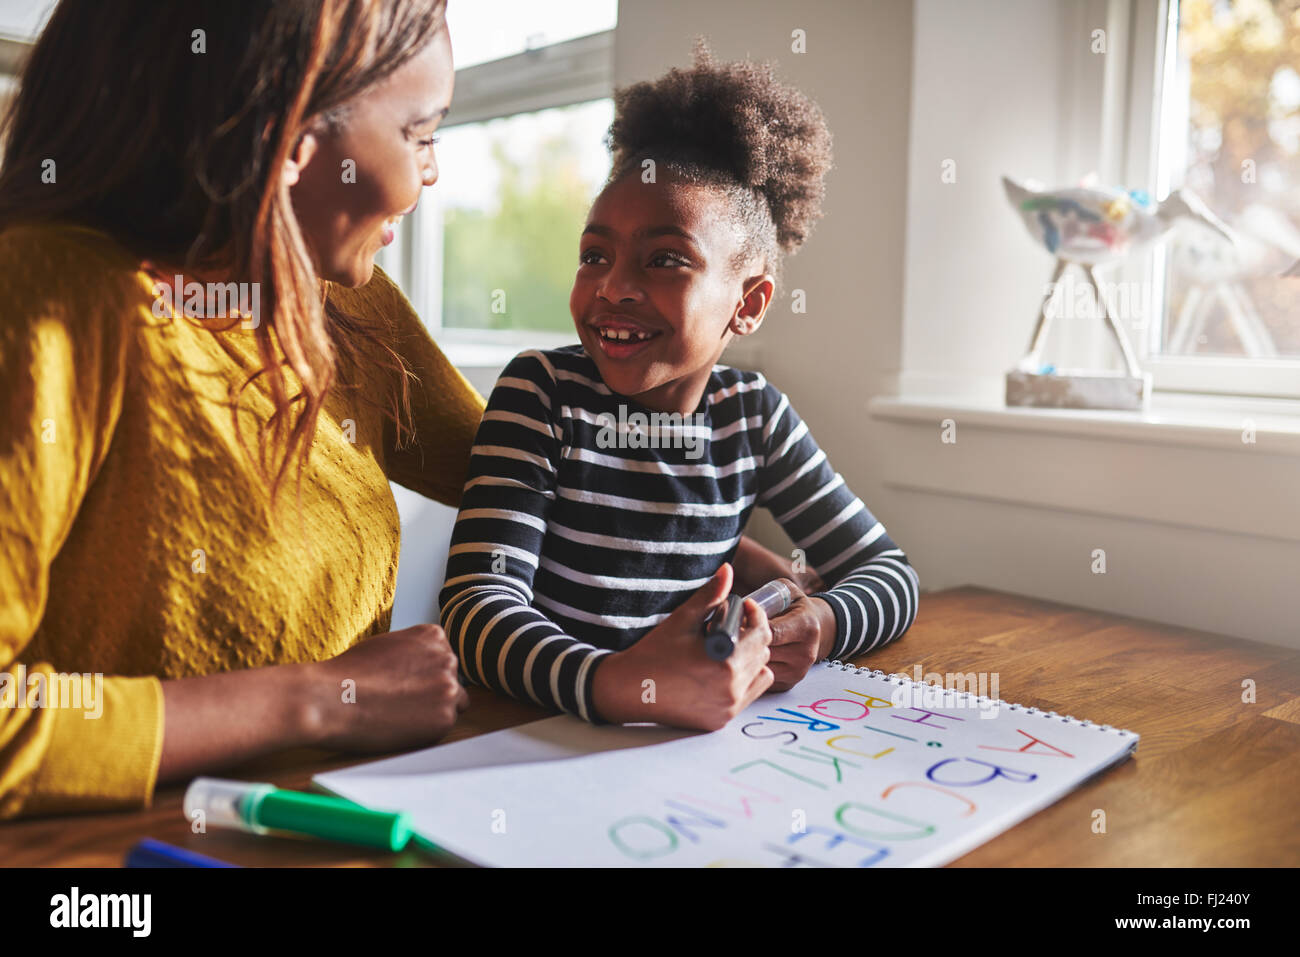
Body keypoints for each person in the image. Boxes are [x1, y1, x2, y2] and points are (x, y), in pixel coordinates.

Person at [0, 0, 478, 820]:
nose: (429, 175)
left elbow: (528, 479)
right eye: (419, 133)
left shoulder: (340, 302)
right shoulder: (44, 300)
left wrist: (747, 583)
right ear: (288, 136)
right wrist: (321, 699)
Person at [440, 47, 920, 731]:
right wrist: (620, 682)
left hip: (682, 759)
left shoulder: (754, 418)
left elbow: (890, 574)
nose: (613, 287)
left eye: (664, 259)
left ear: (748, 303)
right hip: (540, 738)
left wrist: (822, 622)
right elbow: (478, 605)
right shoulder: (543, 394)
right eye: (594, 255)